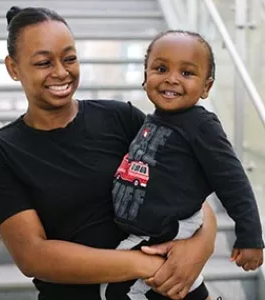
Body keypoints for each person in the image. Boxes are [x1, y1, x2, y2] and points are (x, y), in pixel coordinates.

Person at [0, 7, 218, 300]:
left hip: (171, 290)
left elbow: (189, 193)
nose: (61, 72)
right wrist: (148, 265)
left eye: (70, 58)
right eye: (43, 62)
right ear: (13, 68)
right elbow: (33, 255)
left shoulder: (120, 117)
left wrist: (200, 246)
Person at [101, 30, 264, 300]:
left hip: (167, 227)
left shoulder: (202, 126)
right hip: (148, 229)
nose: (172, 78)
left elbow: (233, 181)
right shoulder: (153, 120)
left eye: (187, 73)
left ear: (206, 87)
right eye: (161, 68)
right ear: (145, 76)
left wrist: (250, 238)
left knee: (116, 290)